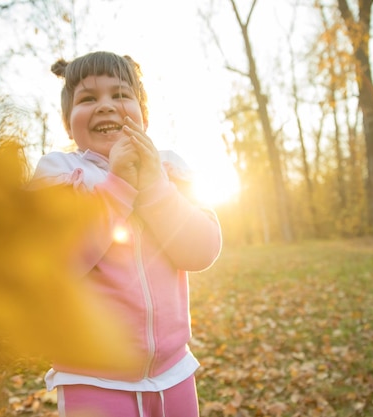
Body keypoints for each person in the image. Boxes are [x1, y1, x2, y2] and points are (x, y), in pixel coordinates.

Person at [28, 51, 222, 417]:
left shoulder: (168, 170)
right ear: (69, 124)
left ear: (143, 116)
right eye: (88, 99)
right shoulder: (60, 174)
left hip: (175, 374)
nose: (106, 106)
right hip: (92, 379)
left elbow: (201, 250)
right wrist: (117, 186)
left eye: (120, 95)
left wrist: (154, 188)